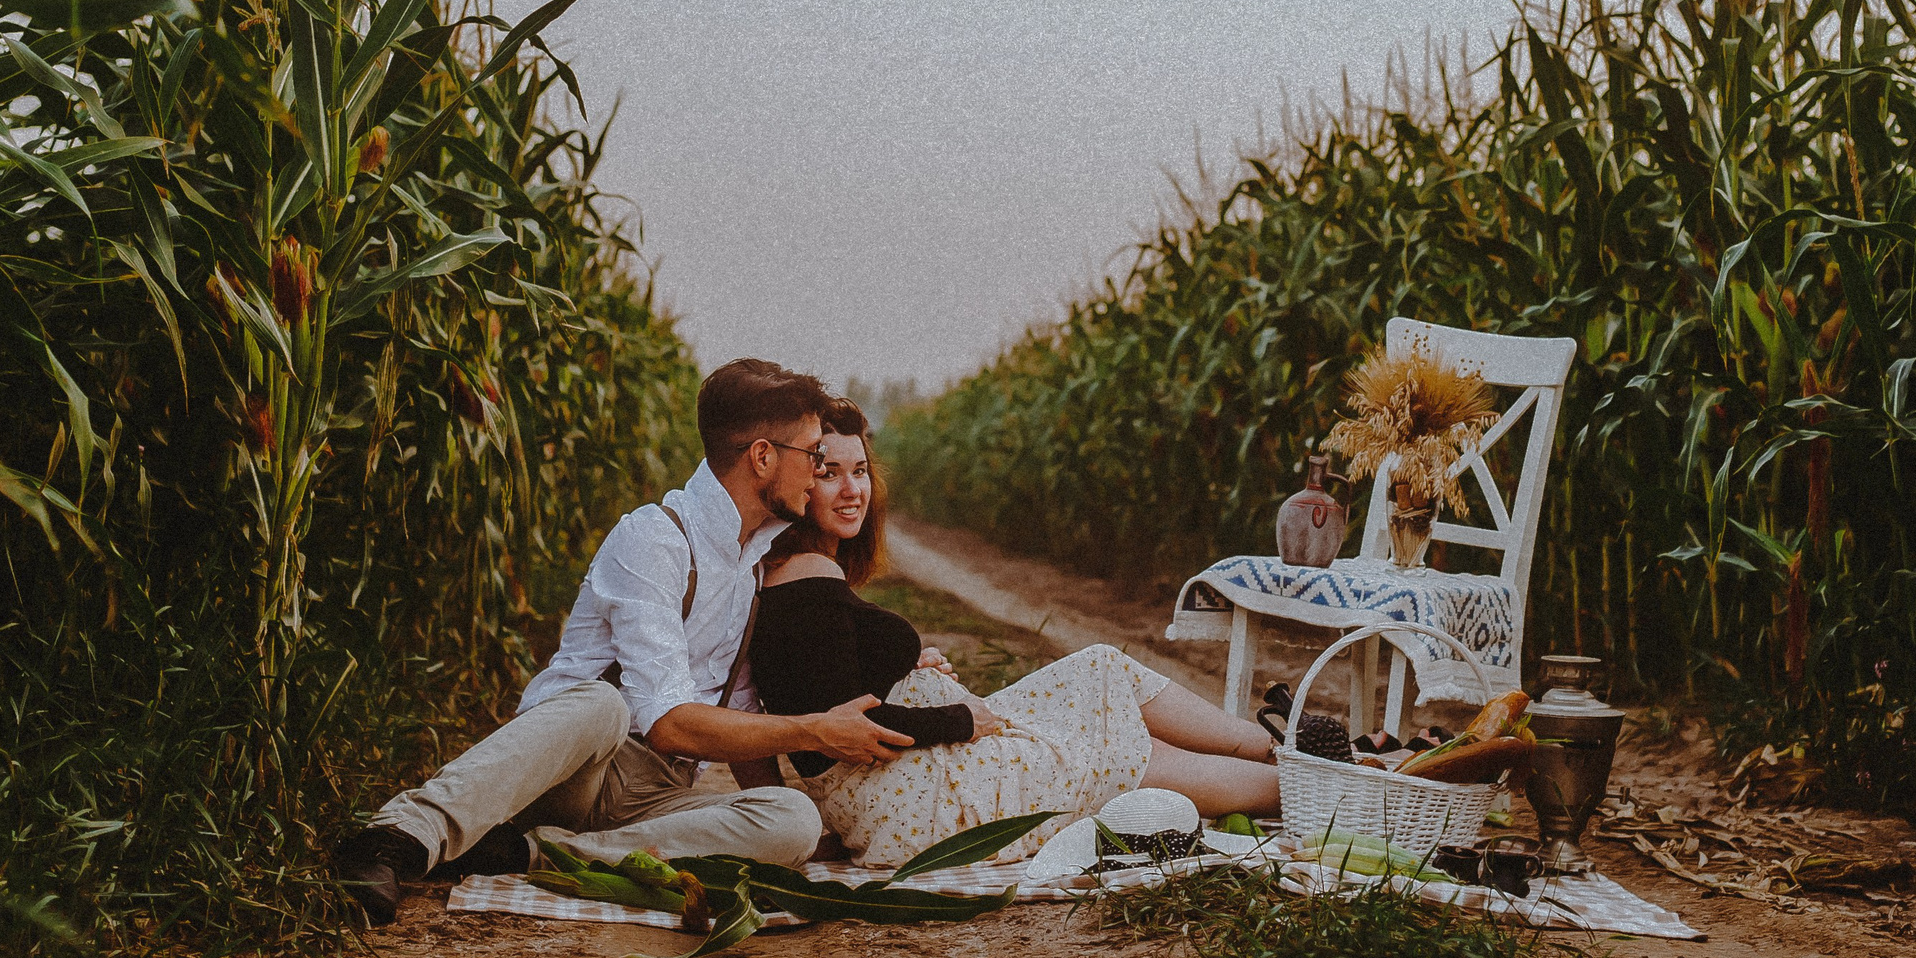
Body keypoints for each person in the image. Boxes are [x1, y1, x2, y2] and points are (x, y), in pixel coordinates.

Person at [332, 360, 916, 925]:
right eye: (813, 456)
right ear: (763, 457)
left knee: (793, 819)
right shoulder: (653, 539)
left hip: (656, 794)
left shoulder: (758, 556)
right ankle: (398, 837)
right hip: (575, 770)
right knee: (603, 703)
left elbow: (737, 715)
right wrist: (815, 729)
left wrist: (778, 832)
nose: (819, 472)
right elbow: (665, 722)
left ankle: (529, 854)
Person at [749, 401, 1280, 869]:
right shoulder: (805, 575)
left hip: (910, 788)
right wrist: (958, 718)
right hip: (916, 802)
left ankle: (1279, 751)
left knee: (1101, 671)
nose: (852, 490)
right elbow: (844, 730)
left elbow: (826, 683)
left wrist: (901, 668)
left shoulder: (805, 572)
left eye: (861, 470)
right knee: (1107, 749)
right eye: (829, 473)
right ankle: (1298, 781)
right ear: (798, 481)